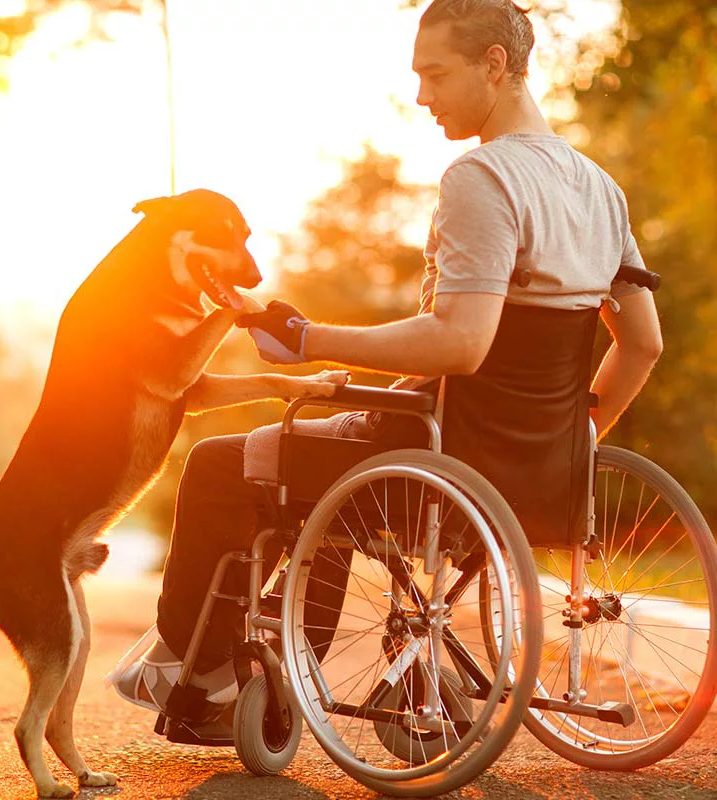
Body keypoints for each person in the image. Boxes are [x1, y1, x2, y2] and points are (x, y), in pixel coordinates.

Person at [113, 0, 664, 737]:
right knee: (315, 454)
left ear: (494, 66)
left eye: (435, 73)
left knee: (223, 467)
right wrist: (573, 436)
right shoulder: (601, 191)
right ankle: (287, 655)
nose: (421, 96)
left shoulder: (482, 178)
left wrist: (310, 339)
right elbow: (644, 344)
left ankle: (199, 673)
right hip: (533, 471)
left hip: (431, 452)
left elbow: (459, 343)